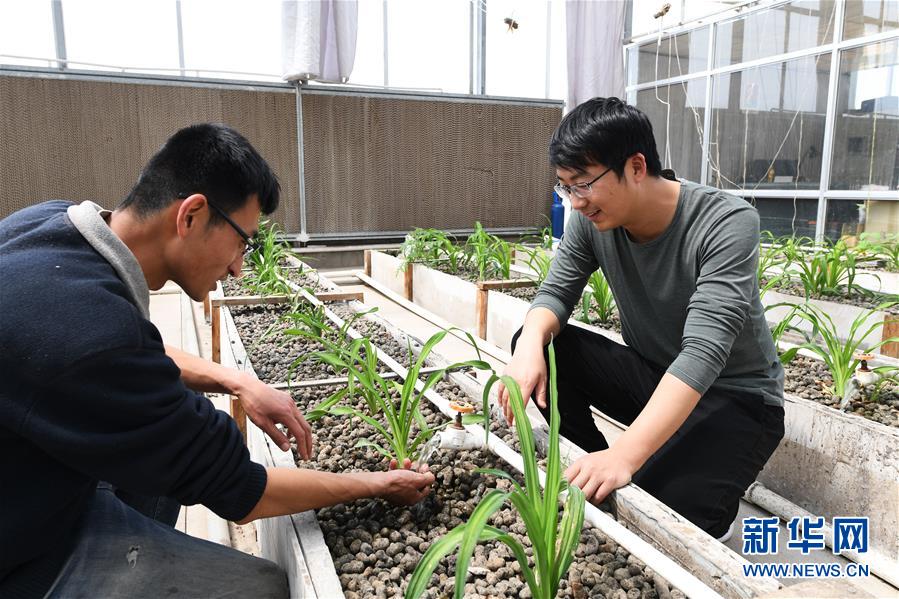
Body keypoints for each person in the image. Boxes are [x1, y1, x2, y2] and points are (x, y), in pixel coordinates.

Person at [0, 123, 434, 598]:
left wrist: (237, 380)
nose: (238, 268)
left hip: (35, 478)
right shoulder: (96, 336)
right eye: (242, 241)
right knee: (261, 588)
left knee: (163, 464)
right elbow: (242, 491)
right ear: (191, 215)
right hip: (25, 554)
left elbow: (102, 351)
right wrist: (374, 484)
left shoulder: (48, 226)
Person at [498, 97, 785, 541]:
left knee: (663, 520)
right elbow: (554, 294)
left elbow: (704, 353)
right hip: (657, 378)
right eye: (565, 188)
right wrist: (529, 346)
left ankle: (696, 491)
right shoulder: (593, 221)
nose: (576, 202)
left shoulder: (725, 221)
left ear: (635, 166)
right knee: (546, 346)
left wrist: (626, 455)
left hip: (736, 400)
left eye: (583, 184)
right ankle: (590, 467)